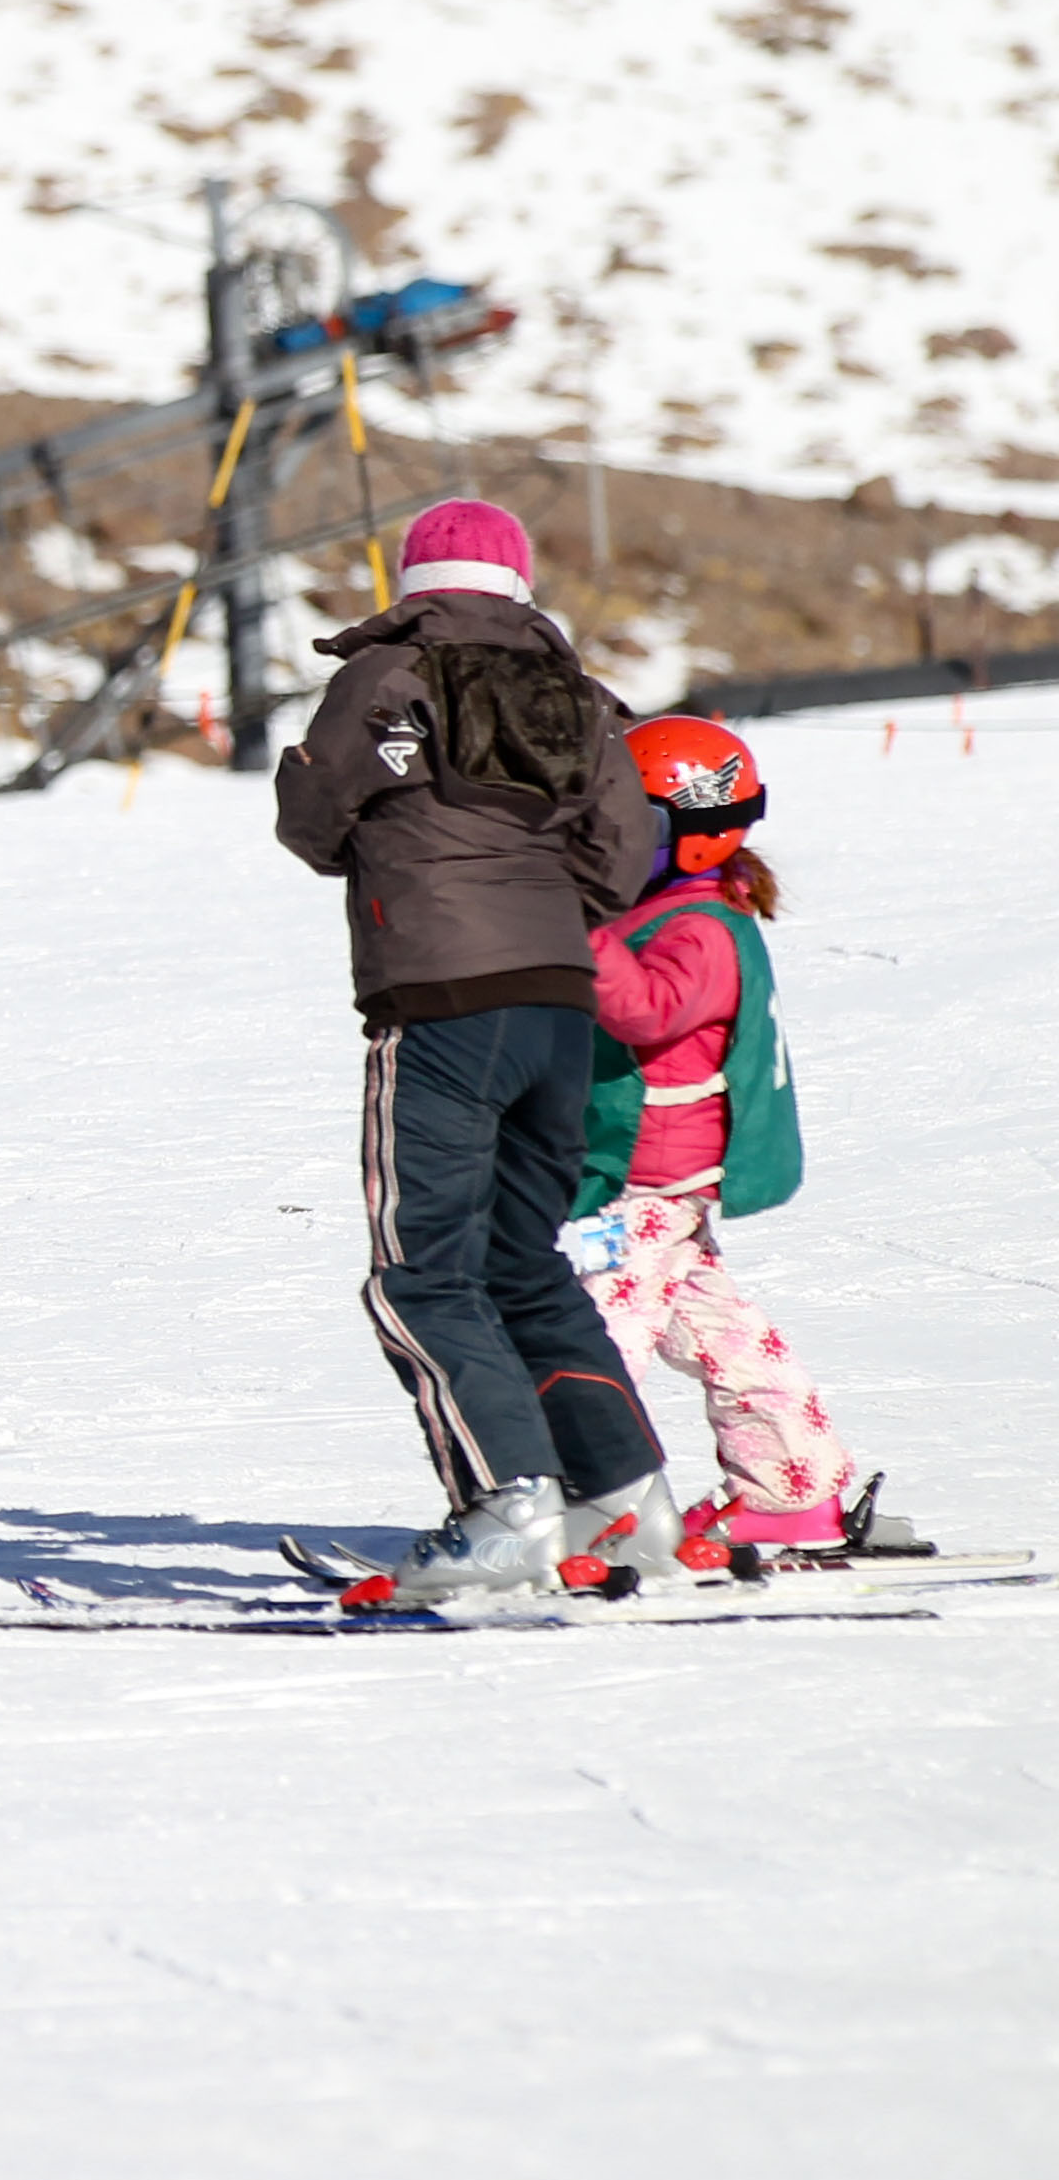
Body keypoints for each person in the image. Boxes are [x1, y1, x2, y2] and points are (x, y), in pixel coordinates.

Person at [271, 497, 697, 1598]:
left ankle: (505, 1508)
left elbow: (313, 819)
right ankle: (627, 1506)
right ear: (518, 582)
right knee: (525, 1261)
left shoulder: (387, 674)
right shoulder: (579, 692)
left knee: (423, 1275)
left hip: (443, 996)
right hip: (561, 1001)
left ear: (416, 577)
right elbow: (621, 853)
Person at [566, 717, 872, 1548]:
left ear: (694, 835)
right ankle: (789, 1486)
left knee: (595, 1334)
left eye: (633, 822)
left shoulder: (699, 928)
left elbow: (643, 1010)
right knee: (714, 1330)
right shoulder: (670, 907)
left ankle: (591, 1503)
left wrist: (577, 927)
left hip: (649, 1178)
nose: (611, 838)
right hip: (653, 1173)